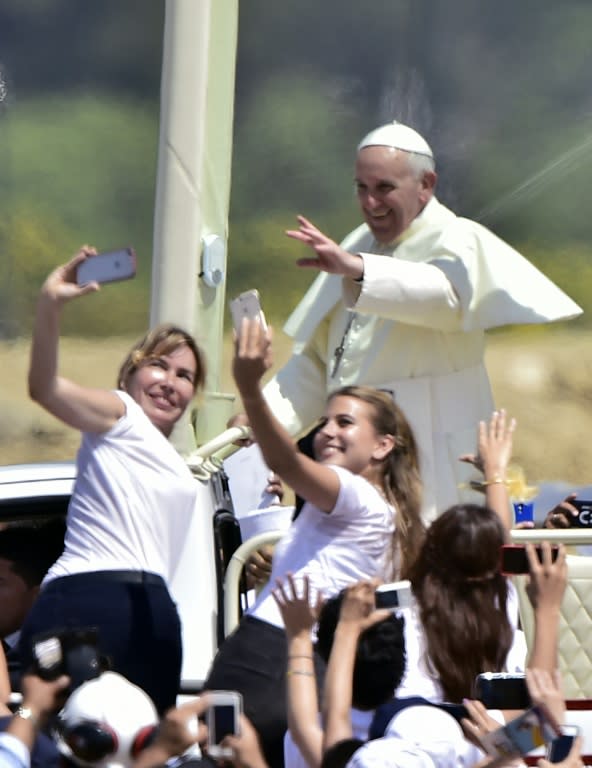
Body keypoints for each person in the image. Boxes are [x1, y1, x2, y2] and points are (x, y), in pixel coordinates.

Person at [260, 120, 582, 524]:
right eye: (362, 187)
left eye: (384, 188)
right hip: (357, 462)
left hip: (433, 465)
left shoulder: (457, 239)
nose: (370, 202)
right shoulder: (357, 244)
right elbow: (325, 362)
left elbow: (447, 297)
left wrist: (360, 270)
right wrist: (262, 421)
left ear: (426, 184)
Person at [204, 317, 424, 768]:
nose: (327, 431)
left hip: (272, 655)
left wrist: (249, 385)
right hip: (295, 661)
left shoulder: (359, 496)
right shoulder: (387, 513)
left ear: (383, 446)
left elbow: (286, 460)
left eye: (345, 422)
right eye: (325, 420)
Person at [20, 245, 206, 714]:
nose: (170, 381)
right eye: (159, 365)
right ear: (130, 375)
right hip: (90, 597)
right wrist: (50, 305)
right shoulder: (121, 415)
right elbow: (44, 388)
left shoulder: (173, 459)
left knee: (145, 749)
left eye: (185, 375)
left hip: (152, 609)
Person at [0, 523, 65, 693]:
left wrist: (28, 711)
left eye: (0, 583)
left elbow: (25, 713)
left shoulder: (42, 660)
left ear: (37, 595)